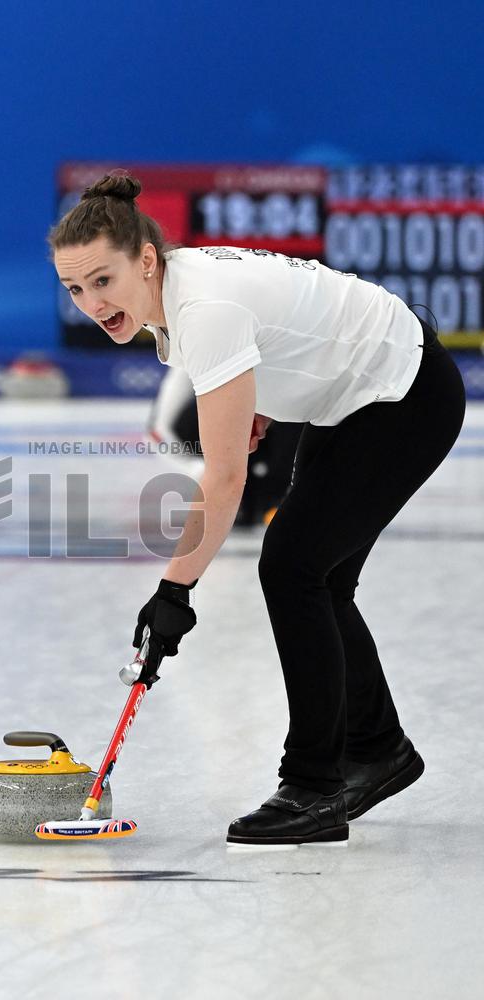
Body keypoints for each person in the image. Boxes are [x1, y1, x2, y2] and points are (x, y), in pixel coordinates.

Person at [49, 173, 466, 847]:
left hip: (403, 397)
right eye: (75, 289)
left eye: (103, 280)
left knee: (293, 568)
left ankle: (312, 787)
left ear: (145, 260)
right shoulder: (179, 295)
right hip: (355, 394)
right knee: (319, 575)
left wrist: (173, 593)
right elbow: (292, 321)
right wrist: (264, 401)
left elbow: (223, 479)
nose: (92, 302)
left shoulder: (202, 309)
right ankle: (377, 748)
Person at [148, 365, 302, 526]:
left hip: (273, 428)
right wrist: (204, 470)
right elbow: (161, 429)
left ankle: (274, 496)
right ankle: (244, 496)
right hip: (221, 430)